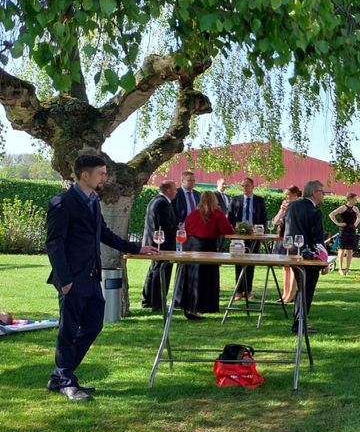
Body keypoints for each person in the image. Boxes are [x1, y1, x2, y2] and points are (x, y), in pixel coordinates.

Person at [45, 154, 159, 401]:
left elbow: (104, 234)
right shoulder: (62, 203)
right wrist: (65, 281)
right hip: (72, 279)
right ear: (85, 175)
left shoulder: (93, 202)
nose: (104, 177)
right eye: (101, 173)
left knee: (94, 324)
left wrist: (135, 247)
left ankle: (60, 375)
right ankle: (66, 381)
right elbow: (54, 245)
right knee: (68, 330)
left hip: (92, 276)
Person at [178, 191, 235, 319]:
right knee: (206, 278)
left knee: (191, 277)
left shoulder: (193, 214)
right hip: (206, 247)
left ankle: (188, 305)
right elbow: (227, 230)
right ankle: (203, 305)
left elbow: (185, 227)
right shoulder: (217, 214)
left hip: (189, 247)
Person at [284, 180, 327, 334]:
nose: (324, 195)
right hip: (308, 256)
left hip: (291, 253)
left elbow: (283, 228)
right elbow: (317, 240)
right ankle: (299, 324)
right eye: (322, 192)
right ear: (314, 193)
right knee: (306, 290)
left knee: (301, 288)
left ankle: (298, 322)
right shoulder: (314, 211)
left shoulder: (292, 205)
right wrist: (323, 262)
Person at [141, 180, 178, 311]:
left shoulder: (154, 200)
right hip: (162, 244)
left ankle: (148, 300)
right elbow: (165, 225)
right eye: (174, 189)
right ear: (168, 190)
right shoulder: (163, 203)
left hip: (153, 242)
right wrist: (178, 229)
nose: (176, 191)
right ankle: (157, 303)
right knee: (162, 271)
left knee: (154, 270)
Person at [228, 177, 267, 300]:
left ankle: (248, 290)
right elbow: (229, 218)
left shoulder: (259, 200)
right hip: (238, 236)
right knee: (238, 263)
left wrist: (260, 231)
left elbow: (264, 218)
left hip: (254, 236)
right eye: (243, 185)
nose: (245, 188)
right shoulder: (235, 200)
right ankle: (238, 291)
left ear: (252, 186)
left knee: (251, 263)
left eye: (247, 185)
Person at [272, 185, 302, 303]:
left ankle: (291, 294)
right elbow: (276, 221)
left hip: (295, 240)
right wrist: (282, 210)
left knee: (293, 267)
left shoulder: (299, 206)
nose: (286, 197)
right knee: (286, 267)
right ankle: (284, 294)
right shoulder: (285, 205)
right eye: (286, 195)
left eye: (288, 194)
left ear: (295, 195)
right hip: (284, 238)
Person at [329, 192, 360, 275]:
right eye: (355, 199)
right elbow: (331, 214)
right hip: (344, 230)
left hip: (352, 230)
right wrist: (338, 223)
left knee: (350, 250)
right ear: (350, 199)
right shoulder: (343, 207)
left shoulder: (356, 208)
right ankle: (340, 269)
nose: (356, 200)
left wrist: (355, 225)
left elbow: (359, 217)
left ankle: (347, 269)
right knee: (342, 249)